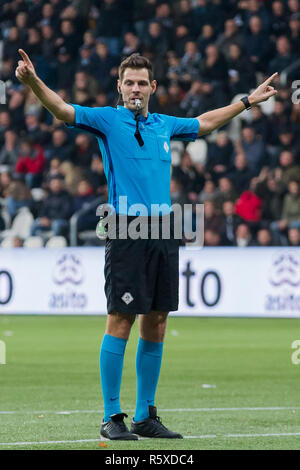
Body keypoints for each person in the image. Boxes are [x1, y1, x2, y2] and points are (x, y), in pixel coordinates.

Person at [15, 48, 278, 440]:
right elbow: (63, 110)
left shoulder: (163, 124)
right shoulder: (106, 119)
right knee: (120, 320)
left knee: (156, 321)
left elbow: (205, 122)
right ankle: (111, 417)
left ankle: (144, 416)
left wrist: (245, 102)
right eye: (129, 83)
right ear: (119, 87)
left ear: (152, 87)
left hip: (164, 232)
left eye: (142, 83)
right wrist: (33, 82)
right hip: (126, 231)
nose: (135, 89)